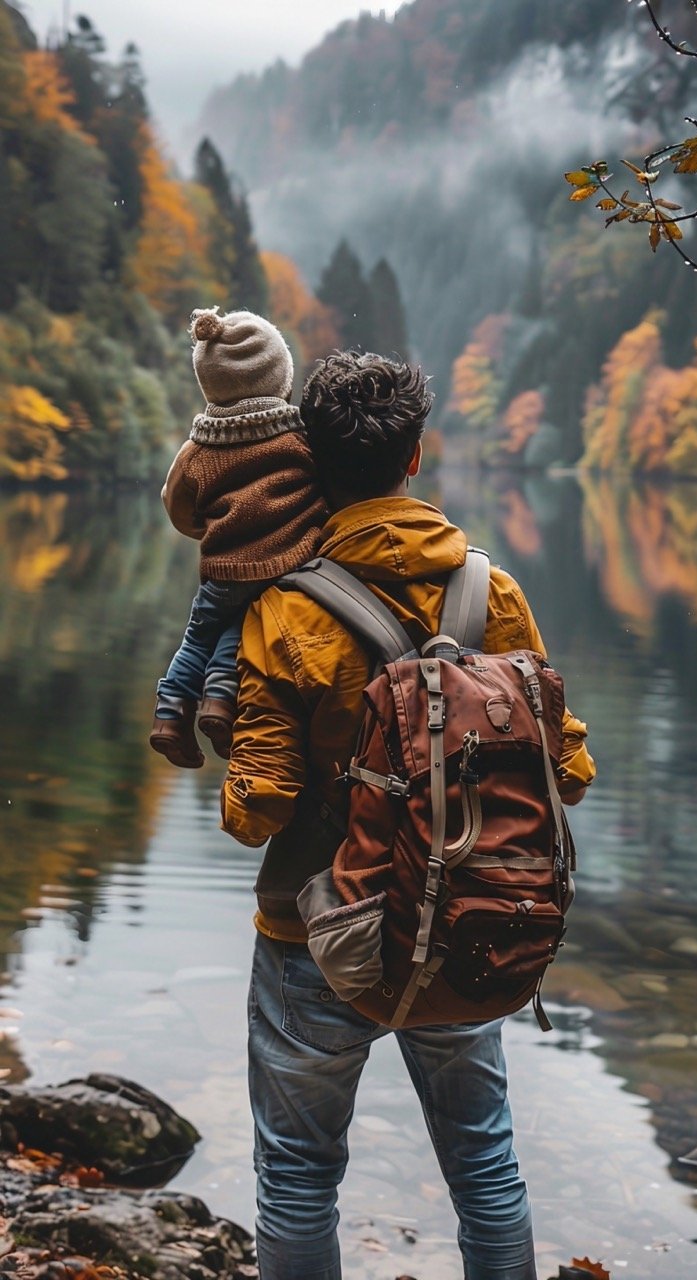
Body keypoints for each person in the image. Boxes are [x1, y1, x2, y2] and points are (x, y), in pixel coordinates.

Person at [221, 350, 596, 1280]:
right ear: (417, 455)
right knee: (484, 1167)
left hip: (317, 936)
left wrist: (228, 744)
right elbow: (571, 771)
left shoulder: (283, 609)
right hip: (463, 922)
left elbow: (254, 813)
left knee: (300, 1175)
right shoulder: (489, 592)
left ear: (310, 456)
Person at [149, 307, 326, 769]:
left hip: (222, 573)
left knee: (198, 637)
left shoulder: (198, 449)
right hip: (285, 572)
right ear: (281, 378)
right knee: (242, 630)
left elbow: (175, 504)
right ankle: (221, 699)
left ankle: (170, 714)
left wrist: (206, 529)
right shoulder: (300, 439)